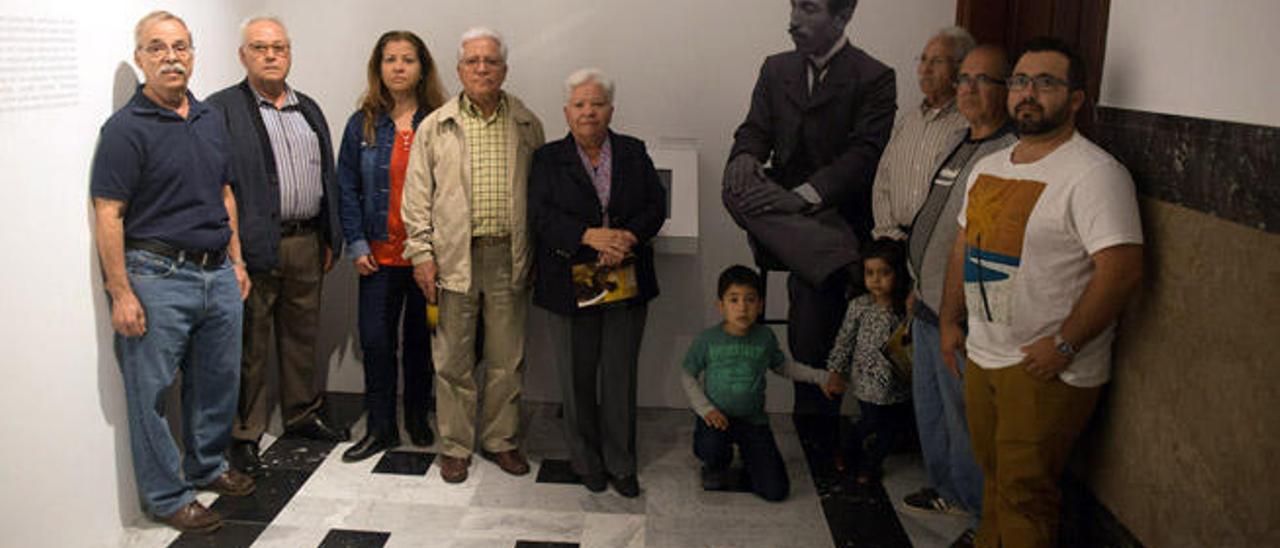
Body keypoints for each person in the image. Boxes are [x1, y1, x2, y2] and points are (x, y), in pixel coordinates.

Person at [940, 37, 1143, 547]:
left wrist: (1065, 344)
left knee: (1025, 494)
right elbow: (963, 247)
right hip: (984, 352)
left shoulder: (1094, 173)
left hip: (1043, 365)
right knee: (995, 483)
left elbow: (1121, 270)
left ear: (1076, 99)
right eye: (1020, 81)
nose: (1029, 93)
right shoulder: (991, 166)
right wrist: (948, 320)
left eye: (1046, 82)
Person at [90, 10, 254, 533]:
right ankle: (167, 496)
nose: (171, 57)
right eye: (157, 48)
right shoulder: (124, 129)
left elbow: (224, 192)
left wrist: (237, 260)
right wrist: (120, 292)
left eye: (180, 47)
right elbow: (108, 213)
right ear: (140, 59)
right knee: (151, 391)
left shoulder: (207, 117)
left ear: (193, 54)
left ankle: (207, 466)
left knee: (217, 382)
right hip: (157, 275)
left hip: (217, 272)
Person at [722, 0, 896, 437]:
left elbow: (864, 156)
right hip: (786, 220)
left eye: (810, 8)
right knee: (733, 185)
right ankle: (835, 262)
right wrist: (745, 155)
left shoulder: (874, 77)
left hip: (835, 211)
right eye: (795, 5)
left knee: (813, 304)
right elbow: (756, 128)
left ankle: (816, 423)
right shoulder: (775, 67)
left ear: (842, 17)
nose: (794, 19)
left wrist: (805, 196)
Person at [402, 27, 545, 484]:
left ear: (504, 68)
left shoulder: (526, 124)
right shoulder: (435, 125)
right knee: (451, 361)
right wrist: (422, 254)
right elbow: (416, 196)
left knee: (508, 359)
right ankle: (456, 446)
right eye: (472, 61)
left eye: (491, 61)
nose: (482, 69)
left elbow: (542, 195)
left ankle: (501, 440)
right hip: (451, 260)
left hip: (508, 257)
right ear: (459, 68)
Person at [207, 16, 348, 476]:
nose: (271, 55)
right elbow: (216, 186)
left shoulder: (308, 108)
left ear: (290, 53)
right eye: (260, 47)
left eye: (279, 47)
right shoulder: (222, 110)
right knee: (250, 343)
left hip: (306, 240)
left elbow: (327, 175)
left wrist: (330, 234)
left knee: (302, 338)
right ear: (242, 55)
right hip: (253, 247)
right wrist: (232, 254)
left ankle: (302, 414)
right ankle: (245, 432)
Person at [528, 68, 666, 497]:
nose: (589, 111)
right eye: (580, 104)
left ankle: (621, 463)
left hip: (625, 274)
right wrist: (587, 235)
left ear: (611, 110)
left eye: (597, 103)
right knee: (577, 376)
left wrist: (627, 237)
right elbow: (540, 215)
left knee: (620, 375)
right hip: (569, 281)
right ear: (567, 112)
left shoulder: (633, 150)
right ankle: (586, 461)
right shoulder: (547, 158)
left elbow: (654, 206)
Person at [900, 44, 1017, 548]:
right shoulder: (964, 142)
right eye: (964, 79)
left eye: (982, 80)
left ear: (1006, 90)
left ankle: (979, 516)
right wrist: (915, 284)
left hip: (962, 316)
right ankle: (948, 489)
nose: (967, 89)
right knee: (932, 411)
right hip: (925, 304)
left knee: (967, 421)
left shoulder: (1007, 155)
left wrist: (955, 314)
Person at [336, 30, 448, 463]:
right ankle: (381, 427)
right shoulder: (361, 123)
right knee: (378, 343)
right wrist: (356, 242)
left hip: (425, 258)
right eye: (390, 59)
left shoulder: (439, 121)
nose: (398, 67)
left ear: (422, 69)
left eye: (407, 59)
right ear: (378, 68)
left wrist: (436, 253)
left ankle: (418, 416)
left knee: (422, 342)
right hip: (377, 258)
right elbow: (346, 187)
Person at [682, 266, 843, 502]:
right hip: (716, 418)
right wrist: (706, 410)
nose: (742, 308)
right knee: (712, 448)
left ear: (761, 305)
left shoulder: (764, 337)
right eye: (734, 300)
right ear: (721, 306)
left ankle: (752, 458)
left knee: (776, 491)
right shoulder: (707, 340)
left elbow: (784, 366)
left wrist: (822, 377)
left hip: (752, 421)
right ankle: (715, 462)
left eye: (750, 300)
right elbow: (688, 375)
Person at [869, 27, 973, 241]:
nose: (925, 69)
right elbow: (883, 183)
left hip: (940, 247)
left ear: (960, 68)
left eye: (936, 61)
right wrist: (889, 235)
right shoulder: (908, 122)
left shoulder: (968, 125)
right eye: (923, 59)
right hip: (894, 245)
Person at [824, 239, 912, 485]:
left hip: (898, 381)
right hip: (867, 381)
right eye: (870, 273)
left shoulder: (904, 308)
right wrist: (836, 372)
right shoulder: (859, 307)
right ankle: (846, 449)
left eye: (884, 273)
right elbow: (844, 341)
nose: (876, 280)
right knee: (871, 421)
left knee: (890, 429)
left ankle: (871, 465)